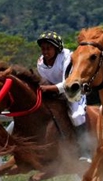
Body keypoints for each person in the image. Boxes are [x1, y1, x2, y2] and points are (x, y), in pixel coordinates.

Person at [36, 31, 92, 162]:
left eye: (48, 48)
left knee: (77, 116)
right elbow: (45, 82)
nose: (45, 51)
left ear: (57, 48)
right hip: (54, 93)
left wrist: (48, 89)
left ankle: (86, 151)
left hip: (73, 91)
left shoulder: (68, 57)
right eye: (43, 48)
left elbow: (67, 83)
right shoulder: (40, 63)